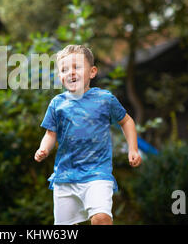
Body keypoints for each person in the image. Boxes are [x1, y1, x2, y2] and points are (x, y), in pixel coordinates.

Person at [34, 44, 141, 225]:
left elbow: (127, 121)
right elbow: (50, 134)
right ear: (60, 77)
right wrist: (43, 149)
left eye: (77, 67)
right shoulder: (57, 104)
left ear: (92, 72)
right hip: (65, 176)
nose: (71, 72)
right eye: (65, 69)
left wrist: (133, 149)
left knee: (101, 218)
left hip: (97, 173)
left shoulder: (105, 99)